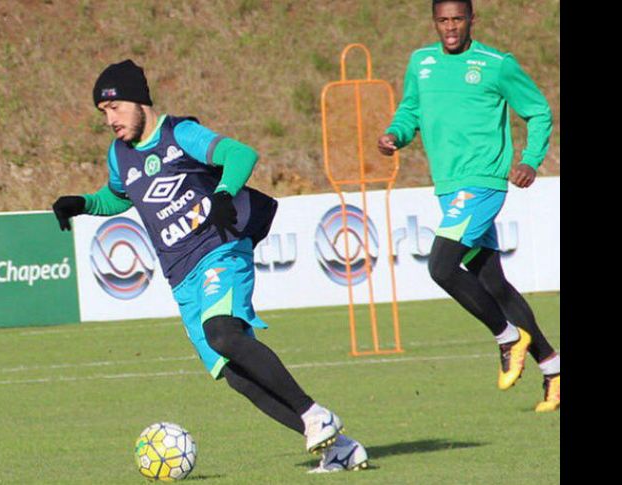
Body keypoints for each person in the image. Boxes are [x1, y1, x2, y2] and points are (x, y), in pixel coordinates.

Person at [52, 59, 369, 472]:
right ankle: (338, 448)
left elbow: (240, 154)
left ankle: (315, 414)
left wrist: (223, 192)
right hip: (181, 278)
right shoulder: (120, 155)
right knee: (234, 374)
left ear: (138, 101)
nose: (109, 119)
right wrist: (85, 204)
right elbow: (120, 196)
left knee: (221, 333)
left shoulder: (179, 133)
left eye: (114, 108)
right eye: (103, 113)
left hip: (219, 250)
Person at [377, 0, 559, 412]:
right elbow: (411, 111)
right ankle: (553, 368)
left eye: (458, 19)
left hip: (482, 184)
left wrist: (531, 159)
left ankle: (507, 336)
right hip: (449, 186)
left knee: (441, 266)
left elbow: (539, 110)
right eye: (443, 20)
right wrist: (394, 135)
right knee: (492, 282)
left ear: (472, 20)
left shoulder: (496, 64)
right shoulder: (421, 62)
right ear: (434, 23)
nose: (450, 27)